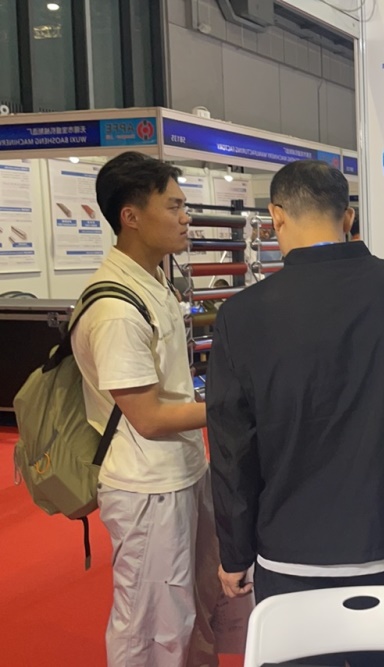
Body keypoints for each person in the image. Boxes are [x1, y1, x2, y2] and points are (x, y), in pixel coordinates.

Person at [207, 159, 384, 667]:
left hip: (286, 547)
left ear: (276, 217)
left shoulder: (242, 314)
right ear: (347, 218)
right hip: (382, 533)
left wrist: (234, 554)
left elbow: (233, 447)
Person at [73, 151, 219, 666]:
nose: (186, 218)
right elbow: (149, 417)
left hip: (179, 471)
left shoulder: (153, 281)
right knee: (152, 623)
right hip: (146, 485)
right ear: (131, 216)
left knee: (191, 608)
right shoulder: (116, 308)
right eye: (173, 206)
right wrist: (234, 405)